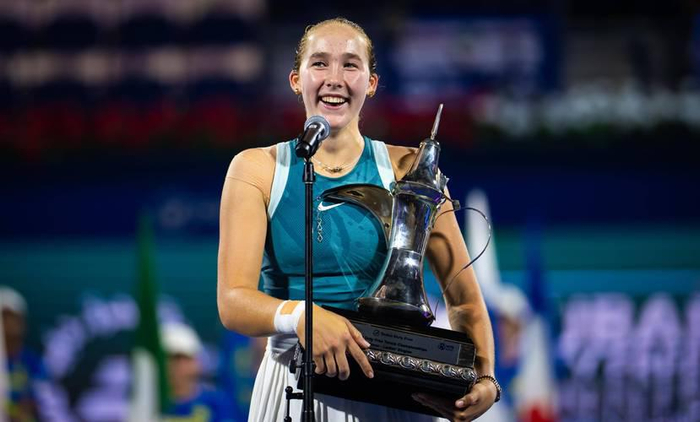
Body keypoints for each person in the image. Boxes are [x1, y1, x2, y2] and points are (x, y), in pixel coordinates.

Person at [217, 17, 498, 421]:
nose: (334, 78)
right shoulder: (256, 169)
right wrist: (303, 316)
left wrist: (486, 379)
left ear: (371, 83)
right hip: (294, 387)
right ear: (296, 80)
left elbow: (465, 300)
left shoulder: (411, 168)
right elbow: (233, 302)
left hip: (397, 394)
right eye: (320, 63)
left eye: (350, 65)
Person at [161, 322, 235, 422]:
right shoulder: (155, 402)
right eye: (172, 359)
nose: (178, 366)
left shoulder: (216, 402)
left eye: (184, 358)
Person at [1, 286, 47, 422]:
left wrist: (14, 411)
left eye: (14, 316)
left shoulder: (33, 361)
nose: (10, 323)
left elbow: (40, 401)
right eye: (4, 317)